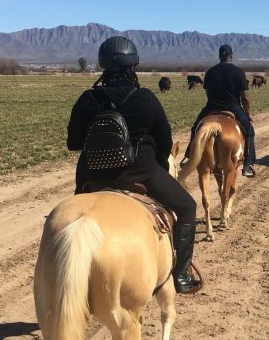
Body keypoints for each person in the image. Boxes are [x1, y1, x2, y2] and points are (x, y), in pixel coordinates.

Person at [66, 36, 200, 294]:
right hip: (141, 172)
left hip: (91, 175)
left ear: (103, 65)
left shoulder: (87, 99)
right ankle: (181, 274)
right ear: (134, 65)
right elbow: (164, 142)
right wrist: (158, 165)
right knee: (187, 208)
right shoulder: (146, 99)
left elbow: (73, 143)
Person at [182, 44, 256, 177]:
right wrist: (247, 113)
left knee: (195, 128)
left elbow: (208, 93)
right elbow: (245, 97)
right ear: (231, 56)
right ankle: (247, 165)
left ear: (219, 56)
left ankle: (189, 155)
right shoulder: (239, 72)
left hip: (211, 106)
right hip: (233, 107)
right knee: (250, 130)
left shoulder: (210, 72)